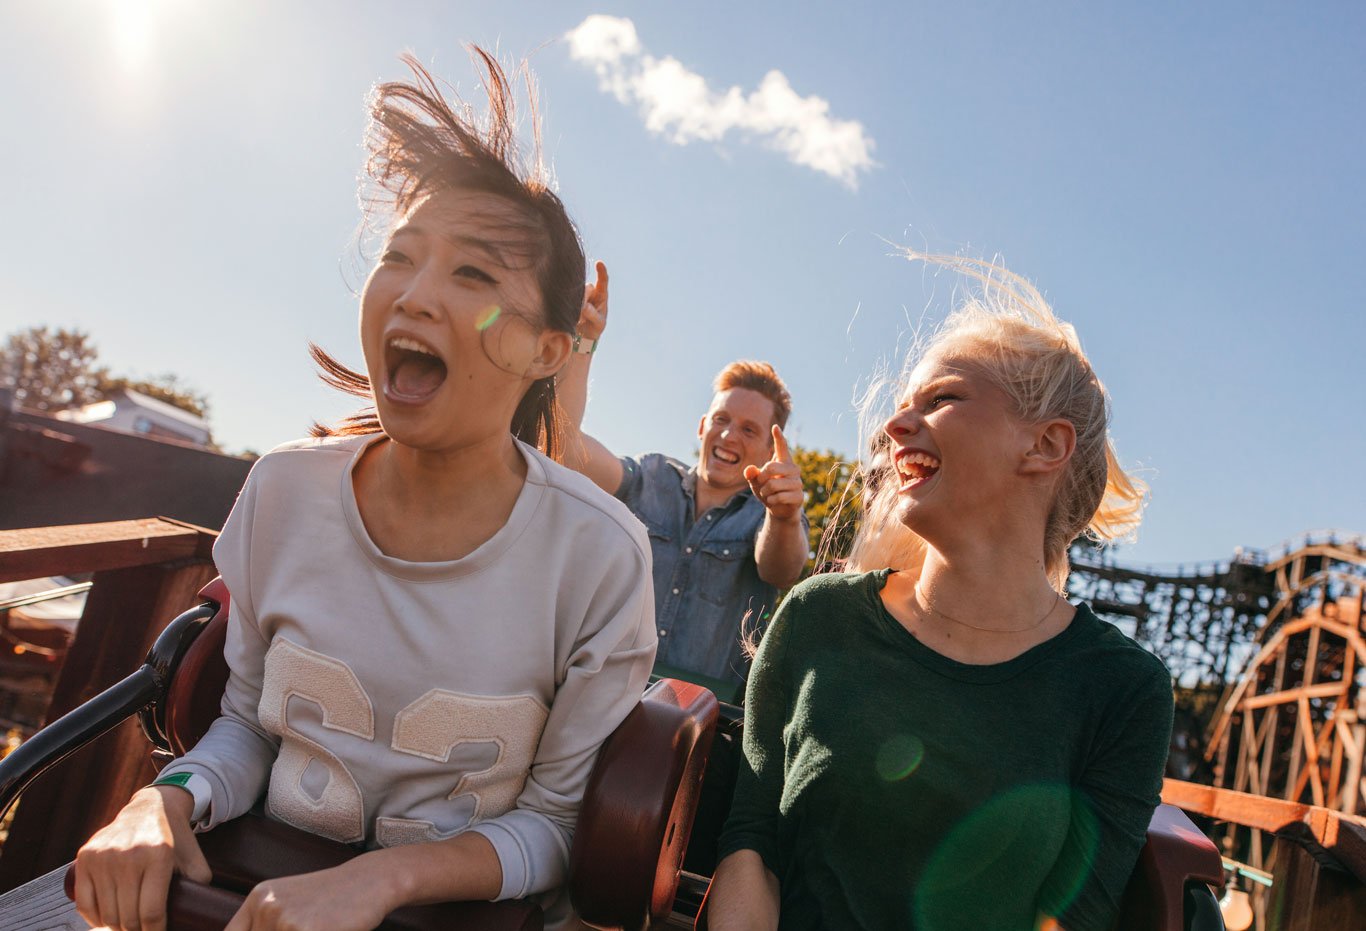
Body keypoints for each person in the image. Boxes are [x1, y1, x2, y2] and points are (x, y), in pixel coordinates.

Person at [72, 50, 656, 931]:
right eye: (400, 257)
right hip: (243, 899)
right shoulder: (282, 490)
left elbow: (552, 827)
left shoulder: (601, 554)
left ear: (550, 350)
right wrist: (163, 802)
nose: (416, 295)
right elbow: (249, 727)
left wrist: (384, 880)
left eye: (473, 276)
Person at [708, 255, 1173, 931]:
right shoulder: (818, 616)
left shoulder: (1123, 690)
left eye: (941, 399)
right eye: (902, 405)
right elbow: (751, 845)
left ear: (1045, 445)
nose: (896, 427)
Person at [558, 274, 808, 701]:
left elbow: (780, 570)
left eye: (749, 430)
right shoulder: (652, 477)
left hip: (702, 723)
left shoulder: (771, 512)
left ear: (770, 448)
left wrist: (783, 517)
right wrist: (583, 342)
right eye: (722, 420)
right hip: (598, 693)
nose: (729, 436)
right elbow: (564, 448)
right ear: (701, 426)